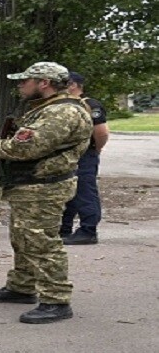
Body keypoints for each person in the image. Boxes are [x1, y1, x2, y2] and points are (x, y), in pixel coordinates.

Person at [0, 62, 92, 325]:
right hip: (31, 184)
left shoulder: (61, 112)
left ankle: (56, 299)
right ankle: (21, 286)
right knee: (23, 238)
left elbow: (25, 148)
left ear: (44, 83)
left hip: (45, 185)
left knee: (42, 242)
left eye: (24, 81)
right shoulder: (45, 109)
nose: (19, 85)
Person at [59, 72, 109, 245]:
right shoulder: (62, 105)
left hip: (84, 154)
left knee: (84, 191)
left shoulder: (89, 104)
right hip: (65, 155)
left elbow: (101, 132)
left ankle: (88, 230)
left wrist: (96, 148)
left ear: (73, 85)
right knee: (68, 192)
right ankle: (63, 229)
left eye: (63, 83)